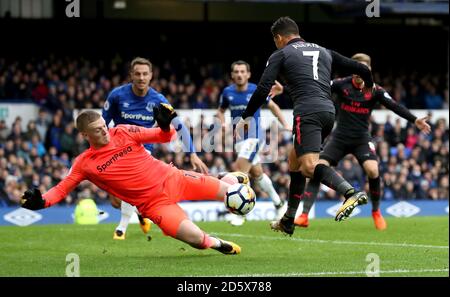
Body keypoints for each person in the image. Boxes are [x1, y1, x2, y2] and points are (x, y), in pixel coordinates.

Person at [20, 108, 242, 255]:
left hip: (173, 178)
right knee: (197, 240)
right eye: (97, 130)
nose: (105, 132)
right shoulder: (84, 163)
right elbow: (61, 189)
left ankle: (228, 179)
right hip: (153, 205)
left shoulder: (123, 131)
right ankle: (217, 243)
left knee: (229, 191)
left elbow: (164, 136)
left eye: (104, 126)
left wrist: (165, 127)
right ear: (85, 135)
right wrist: (42, 202)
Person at [236, 16, 375, 236]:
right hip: (328, 113)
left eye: (276, 41)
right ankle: (289, 219)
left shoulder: (280, 53)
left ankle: (350, 192)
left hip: (307, 114)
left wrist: (246, 117)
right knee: (294, 162)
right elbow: (361, 68)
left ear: (279, 38)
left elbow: (263, 88)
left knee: (309, 166)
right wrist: (368, 86)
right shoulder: (324, 51)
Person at [271, 53, 431, 230]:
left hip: (361, 138)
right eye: (355, 69)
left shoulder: (375, 90)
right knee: (316, 166)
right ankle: (304, 215)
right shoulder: (342, 84)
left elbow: (395, 106)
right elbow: (314, 86)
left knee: (373, 169)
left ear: (368, 70)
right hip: (339, 137)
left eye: (362, 69)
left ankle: (376, 212)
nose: (358, 73)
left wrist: (414, 120)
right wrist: (284, 90)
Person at [102, 57, 209, 240]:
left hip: (143, 150)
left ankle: (121, 228)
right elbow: (102, 124)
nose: (141, 77)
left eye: (145, 74)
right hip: (117, 148)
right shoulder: (117, 96)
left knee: (130, 183)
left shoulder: (158, 100)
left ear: (151, 76)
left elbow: (179, 125)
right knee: (114, 201)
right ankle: (141, 212)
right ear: (131, 75)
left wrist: (192, 153)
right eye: (137, 74)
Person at [216, 60, 291, 226]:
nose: (239, 74)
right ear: (232, 75)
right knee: (257, 174)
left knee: (239, 171)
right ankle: (279, 204)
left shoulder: (255, 90)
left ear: (248, 74)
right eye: (236, 72)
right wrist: (222, 123)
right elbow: (220, 111)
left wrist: (285, 124)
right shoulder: (227, 92)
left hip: (255, 137)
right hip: (239, 140)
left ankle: (240, 213)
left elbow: (273, 106)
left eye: (243, 71)